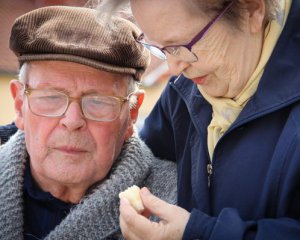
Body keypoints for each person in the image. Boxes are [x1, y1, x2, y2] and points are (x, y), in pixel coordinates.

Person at [97, 0, 300, 239]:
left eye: (183, 45)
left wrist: (199, 234)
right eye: (162, 49)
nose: (173, 69)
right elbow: (145, 160)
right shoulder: (182, 91)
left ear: (251, 10)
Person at [0, 6, 177, 240]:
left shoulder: (175, 204)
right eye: (51, 97)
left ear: (131, 114)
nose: (72, 121)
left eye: (98, 102)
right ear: (19, 104)